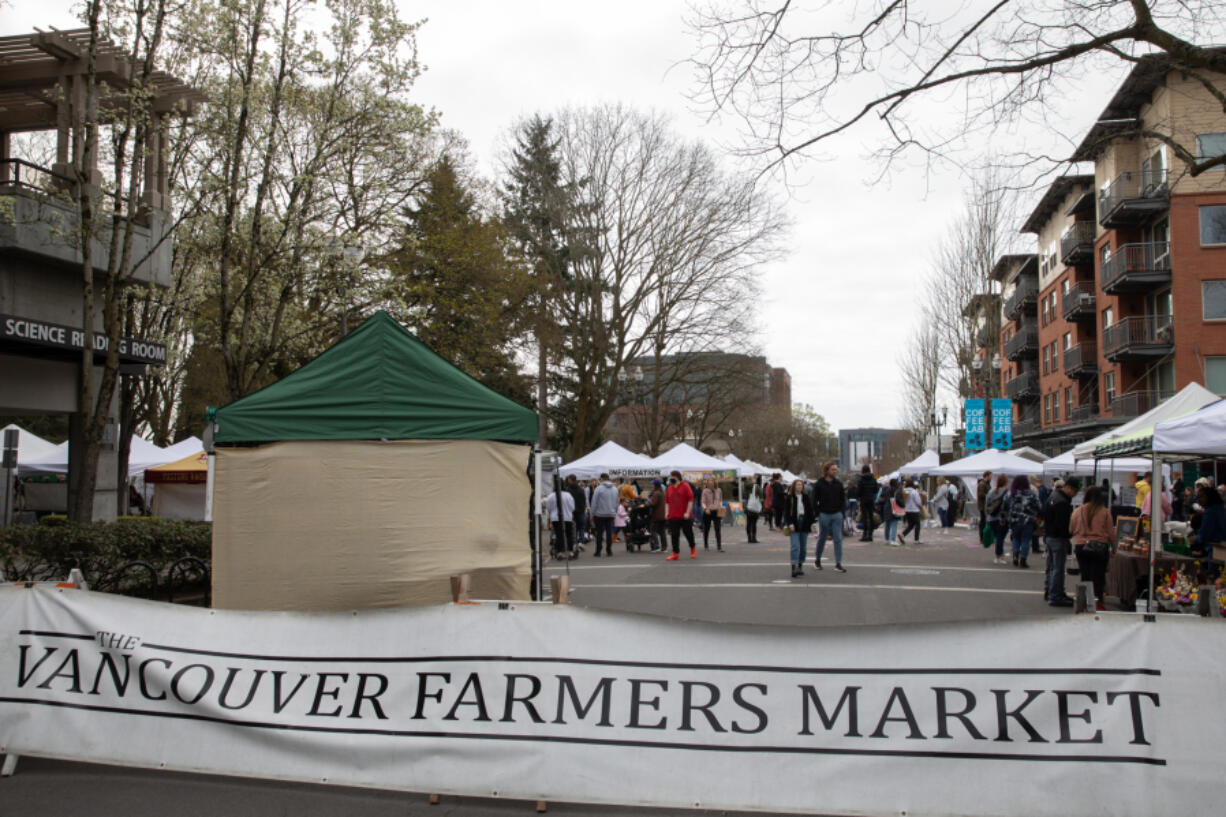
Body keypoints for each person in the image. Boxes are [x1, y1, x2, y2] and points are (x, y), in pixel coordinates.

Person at [1070, 486, 1114, 611]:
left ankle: (1084, 601)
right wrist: (1114, 548)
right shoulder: (1105, 512)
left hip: (1081, 546)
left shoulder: (1078, 511)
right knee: (1098, 576)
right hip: (1100, 546)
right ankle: (1097, 601)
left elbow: (1071, 529)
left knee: (1085, 575)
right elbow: (1111, 532)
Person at [1043, 476, 1079, 607]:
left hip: (1050, 536)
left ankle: (1052, 591)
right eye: (1074, 491)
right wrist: (1069, 534)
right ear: (1068, 488)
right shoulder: (1062, 502)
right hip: (1058, 538)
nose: (1074, 495)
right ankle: (1056, 595)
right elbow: (1062, 524)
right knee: (1057, 568)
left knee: (1052, 567)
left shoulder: (1053, 497)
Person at [813, 461, 848, 572]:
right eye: (833, 469)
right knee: (822, 538)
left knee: (838, 539)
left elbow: (843, 499)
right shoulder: (819, 483)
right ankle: (817, 560)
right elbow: (814, 499)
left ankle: (838, 563)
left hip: (837, 514)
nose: (835, 471)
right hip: (824, 514)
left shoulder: (838, 484)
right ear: (827, 470)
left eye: (835, 469)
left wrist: (842, 512)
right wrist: (817, 513)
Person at [1003, 474, 1040, 568]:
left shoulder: (1011, 493)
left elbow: (1004, 507)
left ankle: (1015, 555)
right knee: (1025, 540)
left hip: (1014, 520)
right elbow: (1039, 506)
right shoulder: (1031, 493)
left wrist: (1004, 518)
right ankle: (1023, 559)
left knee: (1015, 538)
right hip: (1028, 520)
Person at [785, 478, 815, 577]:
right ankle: (793, 567)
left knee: (803, 547)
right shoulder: (790, 498)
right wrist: (790, 524)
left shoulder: (806, 497)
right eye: (798, 485)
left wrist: (812, 523)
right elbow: (786, 513)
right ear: (794, 486)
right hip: (795, 522)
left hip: (805, 522)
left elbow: (810, 511)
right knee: (795, 546)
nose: (799, 486)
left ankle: (800, 566)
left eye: (801, 485)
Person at [665, 470, 697, 560]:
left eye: (672, 477)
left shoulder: (685, 486)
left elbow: (691, 500)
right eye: (669, 477)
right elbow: (667, 502)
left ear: (677, 477)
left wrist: (687, 512)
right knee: (674, 535)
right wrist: (666, 512)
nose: (670, 479)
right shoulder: (669, 488)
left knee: (688, 533)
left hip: (684, 516)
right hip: (673, 516)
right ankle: (675, 553)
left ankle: (693, 549)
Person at [1190, 484, 1226, 558]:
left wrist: (1195, 539)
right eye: (1198, 497)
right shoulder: (1220, 509)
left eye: (1201, 497)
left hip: (1215, 548)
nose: (1199, 500)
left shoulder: (1210, 512)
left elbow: (1205, 534)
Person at [590, 473, 619, 557]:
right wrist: (615, 512)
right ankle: (609, 550)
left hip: (599, 514)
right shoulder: (615, 489)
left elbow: (594, 502)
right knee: (609, 533)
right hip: (610, 514)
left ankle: (598, 551)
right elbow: (617, 503)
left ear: (602, 479)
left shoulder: (598, 489)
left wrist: (592, 514)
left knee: (599, 533)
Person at [543, 485, 576, 560]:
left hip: (556, 518)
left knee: (559, 535)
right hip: (567, 517)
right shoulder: (568, 495)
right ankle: (571, 552)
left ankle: (559, 553)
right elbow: (572, 507)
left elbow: (548, 507)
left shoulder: (551, 496)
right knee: (569, 535)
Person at [984, 475, 1010, 564]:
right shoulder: (1007, 492)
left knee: (997, 537)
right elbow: (1007, 507)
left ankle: (1000, 554)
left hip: (992, 518)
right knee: (1000, 537)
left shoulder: (991, 491)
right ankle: (998, 556)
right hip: (1002, 518)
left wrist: (987, 516)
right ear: (1006, 482)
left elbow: (986, 505)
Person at [700, 476, 724, 551]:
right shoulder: (705, 491)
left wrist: (721, 506)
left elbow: (720, 500)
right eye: (709, 481)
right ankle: (706, 544)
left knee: (718, 528)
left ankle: (719, 546)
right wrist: (705, 509)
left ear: (714, 482)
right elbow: (703, 502)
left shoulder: (719, 490)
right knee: (706, 528)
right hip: (708, 511)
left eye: (711, 481)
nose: (710, 482)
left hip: (716, 511)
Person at [855, 465, 878, 541]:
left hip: (863, 500)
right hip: (871, 500)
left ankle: (864, 535)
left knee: (864, 517)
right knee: (871, 517)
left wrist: (859, 497)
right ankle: (870, 535)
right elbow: (876, 490)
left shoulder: (861, 479)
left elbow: (858, 491)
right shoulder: (873, 479)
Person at [899, 478, 925, 544]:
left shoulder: (904, 491)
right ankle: (916, 539)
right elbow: (918, 502)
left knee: (911, 525)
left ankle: (902, 535)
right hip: (914, 510)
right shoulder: (914, 492)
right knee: (917, 525)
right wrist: (921, 505)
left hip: (907, 510)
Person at [565, 475, 588, 547]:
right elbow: (584, 500)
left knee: (573, 527)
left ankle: (574, 542)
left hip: (572, 511)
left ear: (570, 479)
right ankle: (581, 542)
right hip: (581, 510)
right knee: (581, 527)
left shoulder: (568, 489)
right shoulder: (581, 489)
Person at [880, 477, 902, 546]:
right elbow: (898, 500)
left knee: (887, 525)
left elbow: (882, 498)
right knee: (894, 524)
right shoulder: (897, 491)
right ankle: (893, 540)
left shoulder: (887, 490)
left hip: (886, 508)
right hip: (894, 508)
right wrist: (903, 505)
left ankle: (887, 539)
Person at [648, 479, 667, 552]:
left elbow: (653, 503)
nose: (652, 486)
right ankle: (664, 547)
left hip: (657, 515)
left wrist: (646, 504)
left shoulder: (656, 493)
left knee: (653, 530)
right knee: (662, 531)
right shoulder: (662, 493)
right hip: (663, 515)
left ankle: (656, 546)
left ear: (655, 485)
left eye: (653, 485)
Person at [976, 471, 992, 545]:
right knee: (983, 523)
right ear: (987, 476)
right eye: (990, 476)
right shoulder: (982, 484)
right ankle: (981, 538)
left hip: (987, 506)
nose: (991, 477)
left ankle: (986, 538)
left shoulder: (987, 484)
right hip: (983, 506)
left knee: (986, 522)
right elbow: (981, 494)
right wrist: (989, 495)